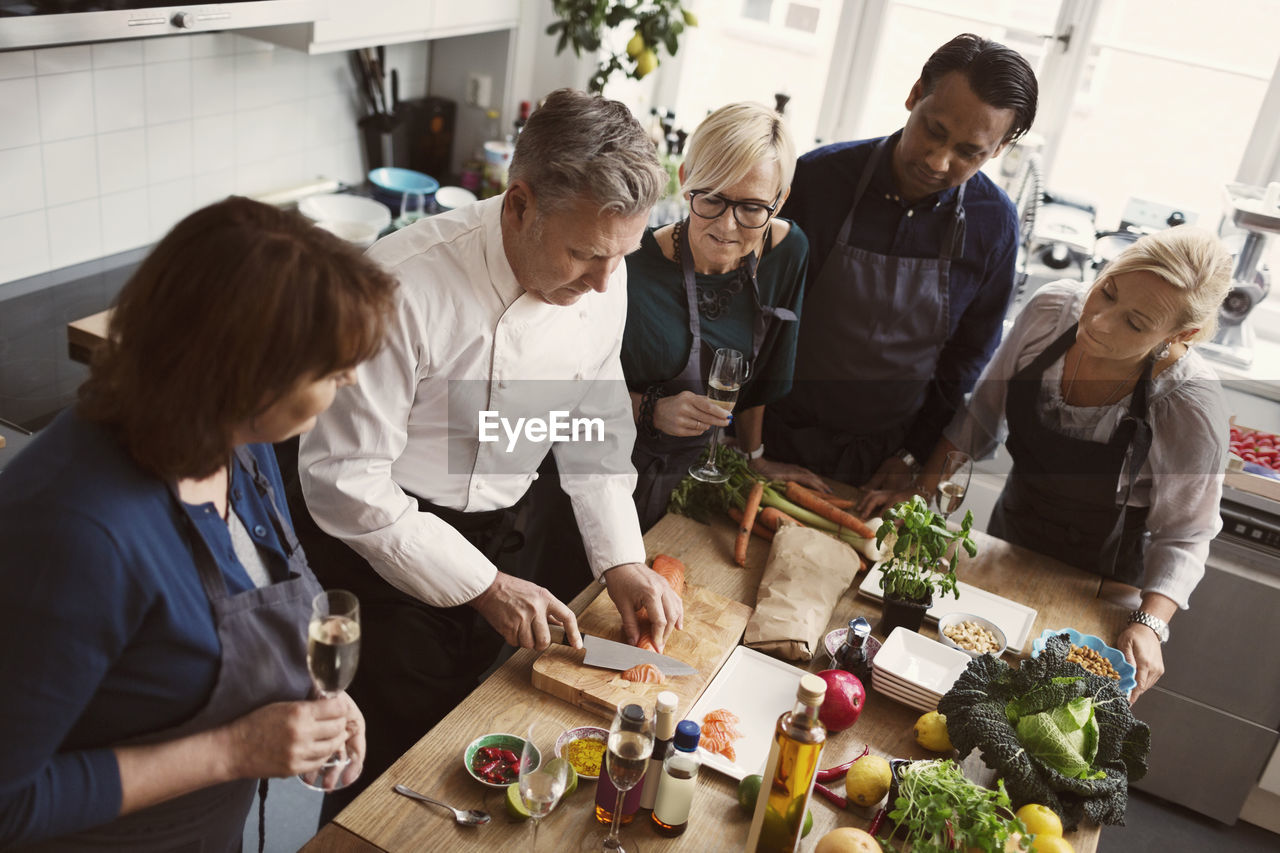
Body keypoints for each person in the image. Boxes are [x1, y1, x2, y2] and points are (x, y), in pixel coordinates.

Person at [297, 88, 683, 813]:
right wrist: (482, 585)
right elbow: (344, 481)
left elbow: (593, 418)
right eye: (584, 254)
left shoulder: (607, 264)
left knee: (477, 752)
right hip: (391, 554)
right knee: (388, 781)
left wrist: (622, 558)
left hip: (511, 533)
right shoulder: (398, 285)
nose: (605, 281)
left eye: (620, 255)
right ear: (519, 205)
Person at [0, 196, 393, 850]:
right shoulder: (77, 534)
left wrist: (313, 696)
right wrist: (236, 749)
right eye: (331, 369)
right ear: (247, 376)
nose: (350, 379)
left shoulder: (241, 440)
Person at [909, 226, 1233, 702]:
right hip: (1006, 545)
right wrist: (916, 495)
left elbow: (1185, 536)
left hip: (1101, 585)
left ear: (1180, 335)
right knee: (962, 686)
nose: (1100, 321)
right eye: (1107, 291)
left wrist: (1149, 625)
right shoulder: (1050, 311)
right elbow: (979, 416)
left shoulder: (1189, 404)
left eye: (1136, 324)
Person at [763, 33, 1038, 516]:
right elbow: (756, 319)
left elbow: (965, 361)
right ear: (914, 95)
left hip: (883, 470)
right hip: (776, 444)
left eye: (969, 152)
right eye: (933, 130)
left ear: (998, 149)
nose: (938, 161)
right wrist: (749, 448)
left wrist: (912, 456)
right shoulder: (817, 180)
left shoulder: (994, 225)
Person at [622, 101, 828, 529]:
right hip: (616, 481)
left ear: (780, 200)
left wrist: (755, 457)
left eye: (752, 208)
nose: (728, 227)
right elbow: (566, 400)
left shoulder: (788, 253)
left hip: (704, 492)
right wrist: (651, 409)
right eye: (711, 198)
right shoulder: (628, 267)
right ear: (684, 182)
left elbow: (761, 381)